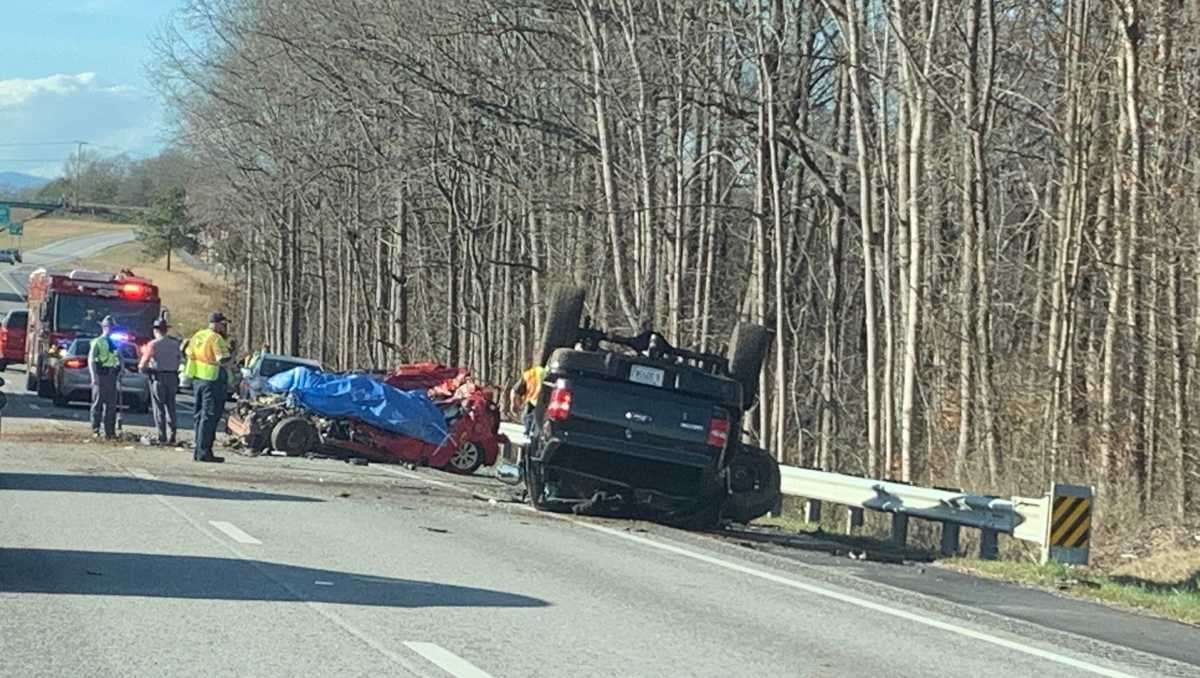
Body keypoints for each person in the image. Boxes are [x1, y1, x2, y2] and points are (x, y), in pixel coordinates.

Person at [185, 312, 234, 463]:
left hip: (197, 379)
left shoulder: (198, 335)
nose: (225, 327)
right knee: (209, 417)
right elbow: (223, 359)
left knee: (199, 416)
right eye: (224, 324)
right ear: (218, 324)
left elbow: (187, 352)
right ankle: (204, 452)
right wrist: (232, 353)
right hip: (212, 380)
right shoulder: (216, 338)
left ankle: (198, 450)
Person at [139, 318, 182, 445]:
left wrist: (143, 369)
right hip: (172, 377)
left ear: (155, 330)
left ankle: (162, 436)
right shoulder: (175, 344)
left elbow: (143, 364)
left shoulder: (153, 344)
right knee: (171, 406)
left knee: (159, 408)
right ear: (166, 330)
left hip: (158, 377)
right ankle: (172, 433)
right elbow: (179, 360)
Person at [88, 316, 122, 439]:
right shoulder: (97, 342)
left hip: (112, 375)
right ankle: (96, 429)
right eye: (109, 327)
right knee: (98, 403)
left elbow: (119, 357)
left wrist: (121, 369)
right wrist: (93, 376)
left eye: (113, 327)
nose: (111, 329)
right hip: (101, 374)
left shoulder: (115, 342)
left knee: (111, 405)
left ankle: (110, 431)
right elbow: (91, 360)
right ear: (104, 327)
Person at [509, 362, 546, 439]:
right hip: (546, 405)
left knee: (528, 419)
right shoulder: (549, 372)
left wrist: (513, 404)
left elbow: (514, 391)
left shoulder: (528, 374)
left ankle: (528, 435)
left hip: (533, 403)